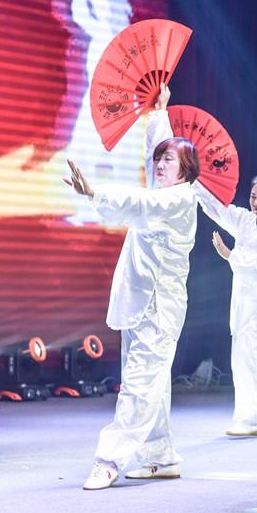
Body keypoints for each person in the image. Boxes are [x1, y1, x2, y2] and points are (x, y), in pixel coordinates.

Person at [65, 84, 200, 490]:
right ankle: (160, 457)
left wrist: (95, 193)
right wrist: (159, 112)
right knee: (150, 383)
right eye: (159, 159)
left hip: (159, 308)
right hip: (141, 302)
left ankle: (109, 459)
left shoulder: (178, 200)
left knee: (140, 384)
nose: (158, 165)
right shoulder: (165, 189)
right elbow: (151, 158)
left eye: (168, 160)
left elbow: (144, 205)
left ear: (186, 169)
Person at [194, 169, 257, 436]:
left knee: (251, 356)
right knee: (241, 359)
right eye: (252, 196)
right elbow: (218, 208)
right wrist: (193, 183)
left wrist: (231, 256)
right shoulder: (245, 221)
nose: (255, 203)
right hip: (242, 305)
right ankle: (254, 418)